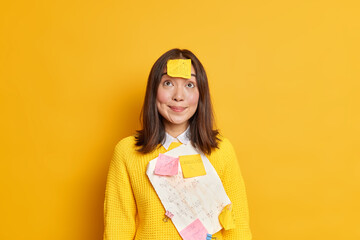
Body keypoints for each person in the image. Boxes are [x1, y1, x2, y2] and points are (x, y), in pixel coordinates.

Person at [103, 48, 252, 240]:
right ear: (153, 91)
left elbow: (237, 226)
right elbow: (118, 226)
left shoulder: (221, 151)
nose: (178, 96)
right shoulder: (127, 152)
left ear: (201, 94)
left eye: (190, 85)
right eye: (168, 83)